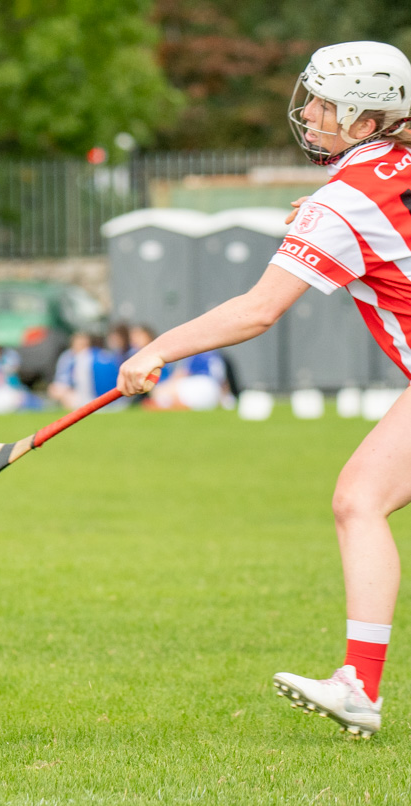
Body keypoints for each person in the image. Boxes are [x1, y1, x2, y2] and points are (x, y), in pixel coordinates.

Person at [118, 41, 411, 739]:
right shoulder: (366, 182)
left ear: (366, 122)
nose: (306, 113)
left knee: (358, 500)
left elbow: (255, 311)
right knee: (356, 499)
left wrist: (156, 349)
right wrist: (323, 213)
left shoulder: (341, 203)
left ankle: (359, 687)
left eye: (322, 104)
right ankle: (358, 686)